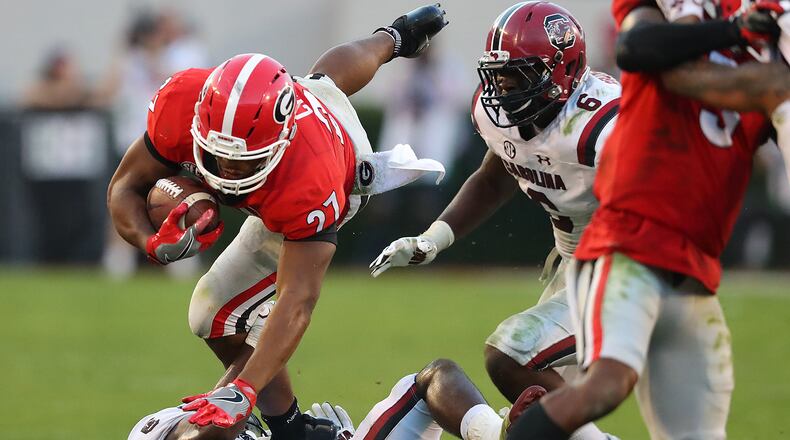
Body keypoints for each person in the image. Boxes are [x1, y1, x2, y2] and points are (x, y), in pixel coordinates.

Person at [108, 4, 448, 434]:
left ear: (280, 137)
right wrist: (150, 244)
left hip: (334, 173)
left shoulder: (310, 178)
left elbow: (298, 299)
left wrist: (245, 390)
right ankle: (395, 37)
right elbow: (123, 187)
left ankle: (288, 426)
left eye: (243, 162)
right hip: (306, 106)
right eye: (219, 156)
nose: (228, 174)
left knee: (213, 314)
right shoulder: (181, 102)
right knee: (321, 82)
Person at [505, 1, 790, 439]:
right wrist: (737, 34)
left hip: (693, 267)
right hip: (627, 241)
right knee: (605, 385)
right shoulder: (687, 23)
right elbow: (642, 49)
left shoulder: (770, 52)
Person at [370, 3, 619, 439]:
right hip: (576, 263)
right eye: (497, 74)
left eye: (517, 76)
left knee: (511, 353)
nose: (502, 89)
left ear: (563, 71)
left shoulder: (602, 124)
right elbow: (494, 177)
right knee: (542, 393)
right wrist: (434, 239)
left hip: (632, 265)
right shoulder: (501, 117)